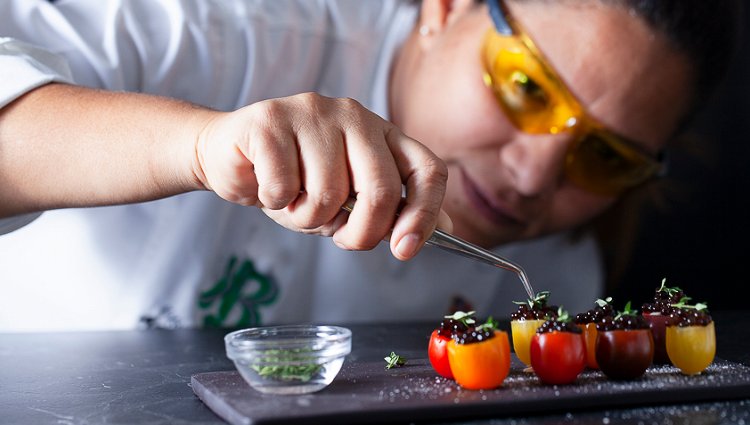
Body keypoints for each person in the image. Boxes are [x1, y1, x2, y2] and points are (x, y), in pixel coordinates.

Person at [0, 0, 740, 332]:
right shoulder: (227, 32)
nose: (535, 175)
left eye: (604, 157)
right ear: (445, 9)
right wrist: (196, 147)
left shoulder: (556, 276)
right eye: (525, 86)